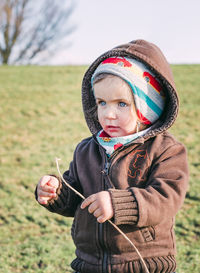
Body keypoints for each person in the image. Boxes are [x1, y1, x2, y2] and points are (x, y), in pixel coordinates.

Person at [35, 39, 189, 273]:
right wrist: (56, 191)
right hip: (90, 264)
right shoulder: (86, 150)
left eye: (122, 104)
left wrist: (118, 205)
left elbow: (166, 198)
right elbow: (75, 197)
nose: (108, 114)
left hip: (144, 264)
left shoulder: (165, 150)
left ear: (148, 106)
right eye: (102, 102)